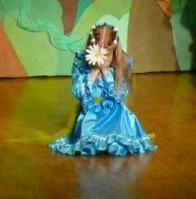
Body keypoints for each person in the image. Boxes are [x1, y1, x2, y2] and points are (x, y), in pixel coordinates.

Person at [49, 23, 158, 155]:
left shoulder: (120, 65)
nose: (102, 59)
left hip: (115, 113)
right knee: (87, 126)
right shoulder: (82, 63)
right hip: (91, 111)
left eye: (107, 55)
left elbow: (119, 97)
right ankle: (93, 143)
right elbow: (80, 94)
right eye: (98, 54)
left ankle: (115, 142)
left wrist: (106, 72)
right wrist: (94, 71)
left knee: (121, 122)